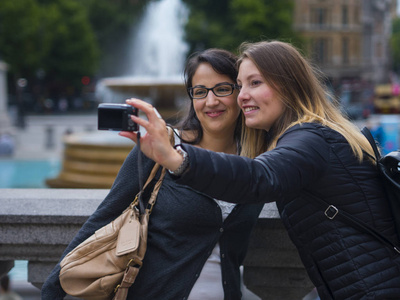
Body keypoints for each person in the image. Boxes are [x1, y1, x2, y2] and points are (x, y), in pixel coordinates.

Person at [123, 41, 400, 299]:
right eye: (240, 85)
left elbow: (257, 177)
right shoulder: (312, 136)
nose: (243, 96)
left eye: (255, 83)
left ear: (289, 85)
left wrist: (175, 157)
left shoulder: (310, 139)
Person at [41, 48, 263, 300]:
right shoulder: (161, 146)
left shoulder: (257, 160)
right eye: (200, 92)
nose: (211, 101)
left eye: (222, 88)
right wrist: (52, 290)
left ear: (240, 92)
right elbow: (106, 214)